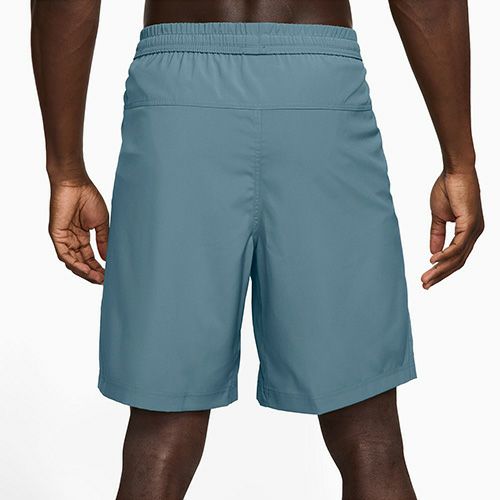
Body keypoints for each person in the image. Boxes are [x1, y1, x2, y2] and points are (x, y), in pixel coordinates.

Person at [31, 1, 484, 498]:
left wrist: (66, 170)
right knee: (369, 434)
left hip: (179, 101)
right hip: (318, 91)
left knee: (160, 432)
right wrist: (459, 160)